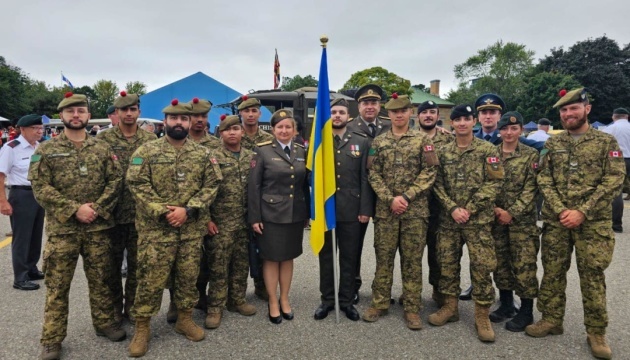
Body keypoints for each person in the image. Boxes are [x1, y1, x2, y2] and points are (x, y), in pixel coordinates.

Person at [526, 88, 625, 360]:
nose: (568, 114)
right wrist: (560, 209)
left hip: (592, 223)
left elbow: (615, 179)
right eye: (564, 110)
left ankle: (596, 331)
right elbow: (543, 178)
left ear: (587, 109)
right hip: (557, 221)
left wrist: (582, 210)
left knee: (592, 276)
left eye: (574, 109)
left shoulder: (606, 142)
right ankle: (551, 319)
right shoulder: (553, 144)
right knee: (553, 271)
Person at [29, 92, 125, 360]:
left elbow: (115, 182)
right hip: (64, 230)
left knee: (102, 280)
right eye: (70, 111)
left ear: (87, 115)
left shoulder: (102, 148)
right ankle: (52, 339)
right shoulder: (46, 150)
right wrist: (75, 209)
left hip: (98, 228)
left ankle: (105, 322)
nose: (75, 115)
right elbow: (40, 186)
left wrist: (96, 208)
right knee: (58, 286)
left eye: (81, 111)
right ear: (62, 116)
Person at [126, 99, 222, 357]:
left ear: (190, 123)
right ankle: (142, 329)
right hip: (156, 231)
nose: (179, 123)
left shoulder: (203, 154)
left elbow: (211, 186)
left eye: (184, 119)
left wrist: (188, 210)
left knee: (188, 277)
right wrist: (165, 211)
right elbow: (137, 185)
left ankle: (184, 319)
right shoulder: (146, 152)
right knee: (149, 281)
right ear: (165, 121)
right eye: (174, 118)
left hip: (190, 231)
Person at [361, 93, 438, 330]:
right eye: (394, 112)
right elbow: (372, 173)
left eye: (403, 111)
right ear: (389, 114)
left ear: (410, 113)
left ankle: (412, 308)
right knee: (384, 258)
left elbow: (430, 171)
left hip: (415, 212)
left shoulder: (423, 141)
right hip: (386, 212)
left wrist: (406, 196)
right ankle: (380, 302)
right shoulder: (379, 142)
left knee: (412, 261)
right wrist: (389, 198)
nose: (399, 115)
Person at [429, 104, 503, 343]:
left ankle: (482, 316)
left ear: (474, 122)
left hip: (478, 221)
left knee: (482, 267)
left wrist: (468, 209)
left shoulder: (487, 149)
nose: (462, 123)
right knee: (447, 264)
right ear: (452, 123)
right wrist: (452, 208)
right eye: (457, 119)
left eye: (466, 119)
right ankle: (450, 307)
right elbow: (436, 183)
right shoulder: (442, 150)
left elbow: (495, 183)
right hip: (449, 220)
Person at [96, 91, 157, 326]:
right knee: (110, 267)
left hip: (141, 216)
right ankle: (113, 309)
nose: (129, 113)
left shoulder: (151, 142)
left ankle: (132, 307)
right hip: (111, 215)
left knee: (138, 266)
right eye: (124, 110)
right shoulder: (102, 140)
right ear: (117, 113)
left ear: (139, 112)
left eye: (133, 109)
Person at [248, 109, 309, 324]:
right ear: (273, 130)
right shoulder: (262, 150)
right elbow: (254, 187)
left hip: (295, 213)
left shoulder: (302, 150)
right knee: (272, 258)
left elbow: (305, 185)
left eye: (288, 127)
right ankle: (272, 300)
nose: (284, 130)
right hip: (270, 214)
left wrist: (308, 212)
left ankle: (285, 298)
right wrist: (254, 217)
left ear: (294, 130)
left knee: (288, 257)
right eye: (280, 127)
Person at [314, 99, 372, 322]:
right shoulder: (320, 142)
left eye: (341, 112)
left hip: (352, 209)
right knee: (326, 257)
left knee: (349, 258)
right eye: (333, 112)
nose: (337, 115)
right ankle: (327, 300)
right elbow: (312, 176)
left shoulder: (361, 141)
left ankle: (347, 301)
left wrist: (365, 209)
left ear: (349, 115)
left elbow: (365, 179)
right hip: (326, 209)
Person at [203, 114, 257, 329]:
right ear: (221, 133)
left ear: (242, 132)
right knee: (218, 266)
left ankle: (237, 300)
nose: (232, 133)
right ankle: (215, 307)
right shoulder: (211, 156)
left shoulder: (251, 157)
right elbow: (204, 188)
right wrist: (206, 219)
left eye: (236, 129)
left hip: (244, 221)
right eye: (227, 130)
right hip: (220, 222)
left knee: (241, 264)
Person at [489, 111, 540, 332]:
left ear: (521, 130)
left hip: (522, 222)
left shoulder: (531, 155)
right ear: (499, 131)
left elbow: (532, 189)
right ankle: (507, 304)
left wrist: (512, 212)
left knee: (524, 265)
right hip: (496, 219)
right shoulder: (490, 154)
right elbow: (483, 184)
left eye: (513, 128)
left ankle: (527, 311)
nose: (509, 133)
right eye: (505, 129)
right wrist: (496, 210)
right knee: (500, 264)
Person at [346, 84, 391, 304]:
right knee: (354, 245)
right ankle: (353, 285)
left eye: (374, 102)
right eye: (365, 103)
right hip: (358, 195)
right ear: (359, 106)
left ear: (379, 105)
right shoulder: (348, 127)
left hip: (387, 195)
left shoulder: (390, 126)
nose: (370, 107)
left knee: (386, 246)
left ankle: (383, 289)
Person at [416, 100, 454, 307]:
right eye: (424, 112)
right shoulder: (411, 139)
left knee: (438, 252)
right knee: (413, 252)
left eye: (432, 112)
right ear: (418, 116)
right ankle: (412, 292)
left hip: (441, 206)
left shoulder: (448, 140)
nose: (428, 115)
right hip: (417, 204)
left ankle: (439, 291)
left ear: (438, 115)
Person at [0, 114, 45, 291]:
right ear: (23, 129)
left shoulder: (40, 147)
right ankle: (20, 276)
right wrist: (3, 201)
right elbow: (1, 175)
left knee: (35, 235)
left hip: (38, 195)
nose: (39, 131)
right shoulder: (11, 148)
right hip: (21, 194)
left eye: (40, 128)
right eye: (35, 128)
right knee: (22, 238)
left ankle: (32, 268)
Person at [237, 95, 274, 301]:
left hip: (262, 200)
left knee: (263, 245)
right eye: (246, 111)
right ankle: (237, 293)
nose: (250, 115)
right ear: (240, 113)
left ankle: (262, 287)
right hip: (235, 201)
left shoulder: (268, 139)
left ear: (260, 114)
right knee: (241, 248)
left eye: (254, 111)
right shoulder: (232, 135)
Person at [602, 107, 630, 233]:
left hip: (617, 159)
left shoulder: (610, 129)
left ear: (614, 117)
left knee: (617, 192)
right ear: (627, 116)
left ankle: (616, 225)